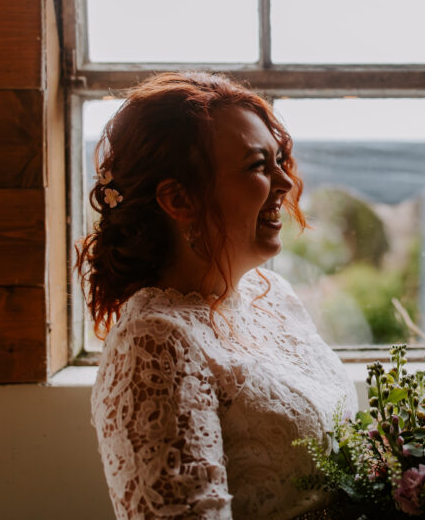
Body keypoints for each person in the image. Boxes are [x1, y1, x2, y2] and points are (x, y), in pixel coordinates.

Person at [79, 72, 356, 519]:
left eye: (279, 161)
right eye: (257, 166)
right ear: (179, 199)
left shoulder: (275, 298)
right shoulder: (154, 344)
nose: (285, 185)